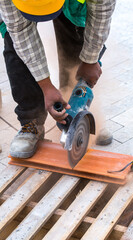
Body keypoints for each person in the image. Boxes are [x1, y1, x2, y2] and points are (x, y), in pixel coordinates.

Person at [0, 0, 116, 158]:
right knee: (14, 42)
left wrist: (90, 58)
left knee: (76, 26)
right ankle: (31, 122)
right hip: (16, 8)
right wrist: (46, 86)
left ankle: (74, 110)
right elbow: (20, 32)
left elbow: (102, 11)